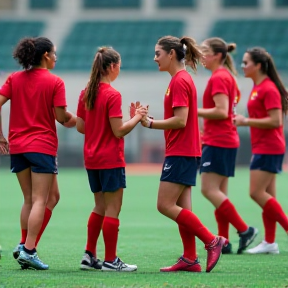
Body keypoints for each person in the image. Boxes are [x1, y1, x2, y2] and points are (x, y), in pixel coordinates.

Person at [140, 35, 227, 273]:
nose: (154, 58)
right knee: (183, 209)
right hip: (185, 150)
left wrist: (149, 123)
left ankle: (212, 240)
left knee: (164, 205)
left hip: (181, 152)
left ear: (171, 54)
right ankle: (190, 258)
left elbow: (180, 120)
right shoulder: (180, 79)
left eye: (158, 53)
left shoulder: (179, 81)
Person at [0, 37, 76, 270]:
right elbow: (62, 118)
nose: (55, 57)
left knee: (35, 199)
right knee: (41, 200)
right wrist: (77, 121)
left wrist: (1, 136)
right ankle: (29, 250)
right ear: (45, 56)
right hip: (42, 147)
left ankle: (24, 244)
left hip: (19, 147)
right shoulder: (55, 82)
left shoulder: (14, 78)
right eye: (54, 54)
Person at [76, 46, 147, 272]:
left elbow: (80, 127)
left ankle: (89, 255)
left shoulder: (86, 91)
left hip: (91, 158)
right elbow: (118, 131)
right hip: (110, 159)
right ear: (112, 67)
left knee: (99, 206)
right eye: (119, 67)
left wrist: (98, 127)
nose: (120, 71)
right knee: (112, 210)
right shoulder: (112, 94)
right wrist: (137, 117)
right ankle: (111, 260)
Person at [197, 37, 258, 254]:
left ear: (217, 55)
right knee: (219, 192)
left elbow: (222, 111)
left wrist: (192, 111)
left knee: (208, 189)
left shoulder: (220, 77)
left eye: (205, 51)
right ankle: (225, 241)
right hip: (224, 139)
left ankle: (244, 230)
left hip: (219, 140)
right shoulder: (225, 76)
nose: (201, 55)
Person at [234, 47, 288, 254]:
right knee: (268, 195)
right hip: (263, 145)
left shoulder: (268, 88)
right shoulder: (258, 88)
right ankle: (270, 242)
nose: (243, 66)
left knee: (256, 192)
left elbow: (275, 120)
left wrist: (245, 121)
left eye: (246, 63)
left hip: (269, 147)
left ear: (258, 66)